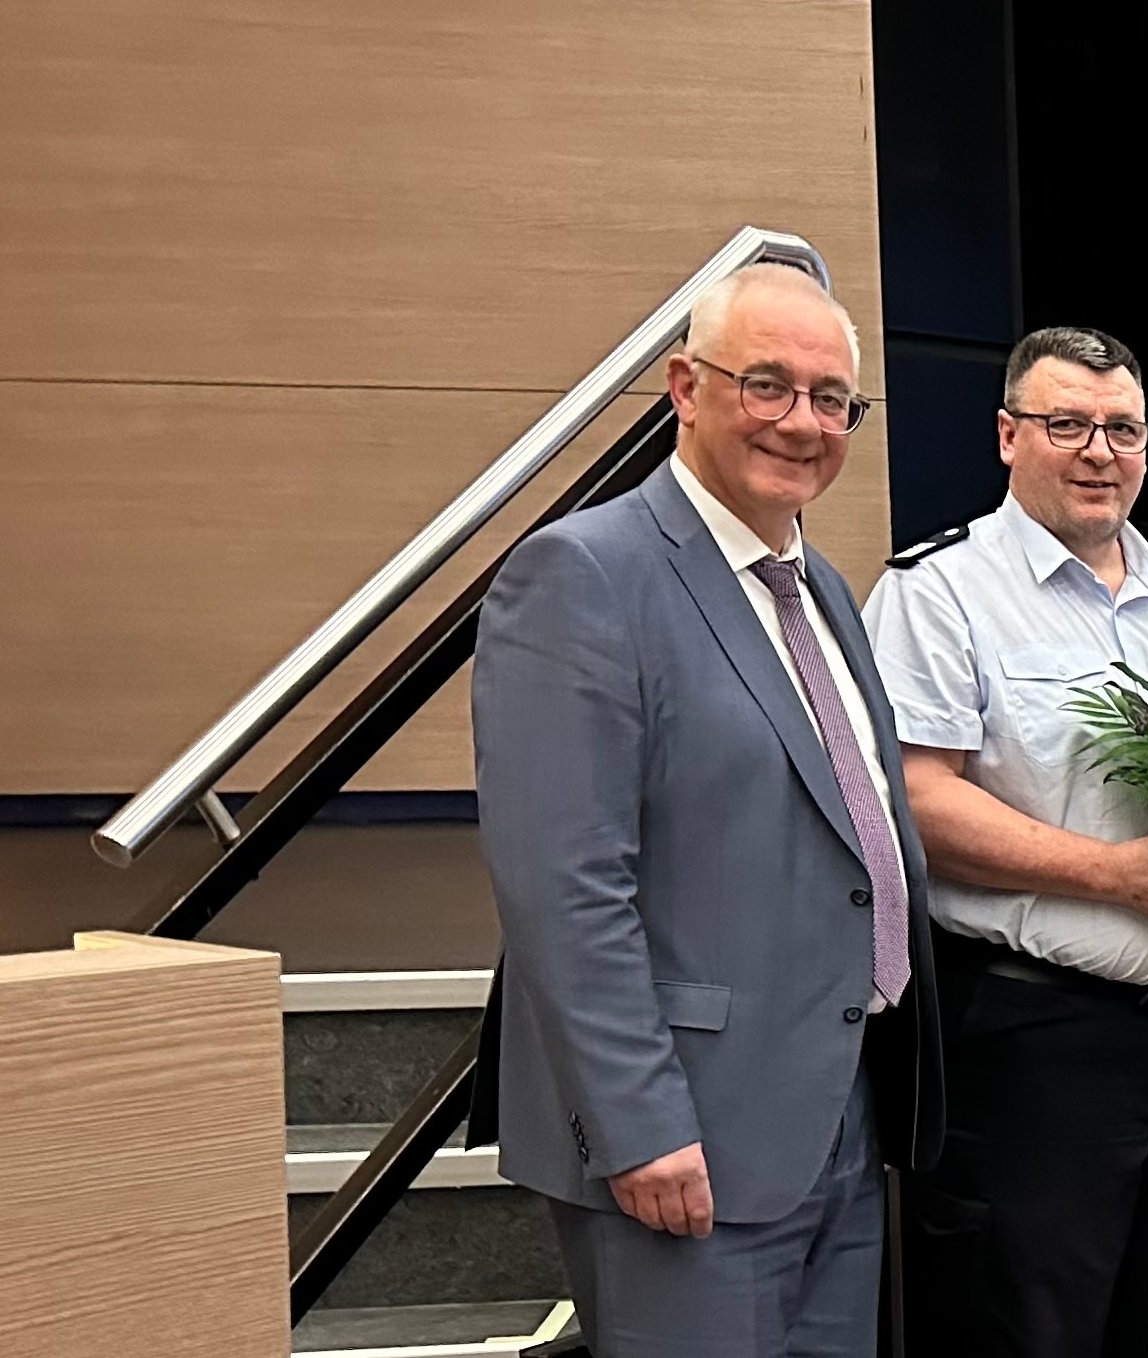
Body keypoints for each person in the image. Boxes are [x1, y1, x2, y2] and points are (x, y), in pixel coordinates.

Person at [471, 262, 943, 1358]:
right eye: (766, 384)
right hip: (685, 1138)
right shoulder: (582, 574)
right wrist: (636, 1126)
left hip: (834, 1112)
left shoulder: (818, 583)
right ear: (685, 386)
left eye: (832, 400)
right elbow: (563, 887)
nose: (802, 422)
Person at [863, 326, 1148, 1358]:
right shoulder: (940, 593)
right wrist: (1116, 874)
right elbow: (915, 799)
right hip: (1032, 1040)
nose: (1098, 450)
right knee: (1023, 1321)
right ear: (1008, 435)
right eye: (1067, 424)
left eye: (1121, 428)